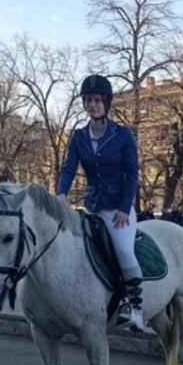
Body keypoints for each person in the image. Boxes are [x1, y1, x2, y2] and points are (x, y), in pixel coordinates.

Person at [56, 74, 144, 332]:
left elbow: (132, 173)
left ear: (106, 102)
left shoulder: (122, 134)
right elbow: (69, 168)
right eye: (88, 100)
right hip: (93, 206)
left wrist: (124, 207)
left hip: (118, 209)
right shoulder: (78, 137)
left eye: (96, 100)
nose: (92, 105)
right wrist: (60, 194)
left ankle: (136, 307)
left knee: (124, 250)